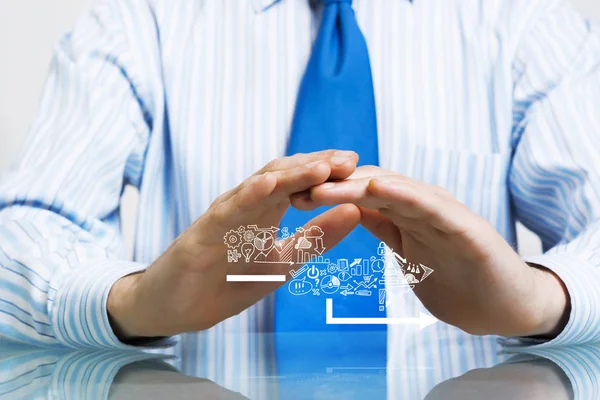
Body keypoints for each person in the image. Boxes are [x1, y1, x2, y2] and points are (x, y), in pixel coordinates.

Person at [1, 0, 599, 350]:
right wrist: (130, 302)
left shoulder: (529, 22)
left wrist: (541, 298)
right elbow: (23, 231)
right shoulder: (141, 19)